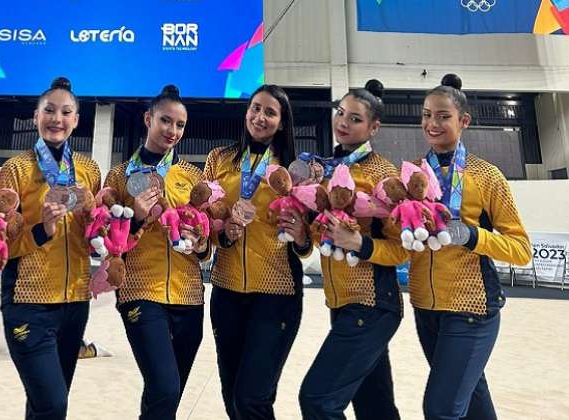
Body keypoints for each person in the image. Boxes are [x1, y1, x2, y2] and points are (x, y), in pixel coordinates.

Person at [409, 74, 531, 420]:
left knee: (442, 408)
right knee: (472, 399)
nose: (432, 124)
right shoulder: (414, 175)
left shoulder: (487, 176)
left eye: (443, 116)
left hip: (471, 308)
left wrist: (473, 236)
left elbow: (521, 249)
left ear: (463, 121)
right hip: (425, 307)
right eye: (426, 114)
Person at [298, 80, 405, 420]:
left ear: (374, 126)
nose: (343, 123)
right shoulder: (331, 171)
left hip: (372, 303)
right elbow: (325, 238)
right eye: (340, 113)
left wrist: (360, 244)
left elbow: (402, 251)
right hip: (342, 302)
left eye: (355, 119)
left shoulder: (384, 174)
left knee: (317, 400)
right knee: (376, 408)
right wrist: (306, 231)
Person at [103, 84, 210, 420]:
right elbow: (107, 239)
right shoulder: (120, 176)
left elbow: (206, 238)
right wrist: (135, 217)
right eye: (165, 121)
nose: (172, 131)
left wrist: (201, 242)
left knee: (166, 395)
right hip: (139, 291)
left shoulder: (193, 176)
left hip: (189, 296)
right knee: (164, 386)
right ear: (148, 118)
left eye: (179, 125)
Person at [0, 77, 100, 420]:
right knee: (52, 403)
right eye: (49, 111)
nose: (57, 119)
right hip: (29, 300)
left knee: (49, 405)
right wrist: (43, 229)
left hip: (75, 302)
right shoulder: (16, 169)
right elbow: (4, 243)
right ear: (35, 116)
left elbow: (94, 233)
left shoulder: (88, 170)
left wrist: (97, 223)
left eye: (66, 112)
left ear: (76, 120)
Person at [204, 84, 305, 419]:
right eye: (255, 108)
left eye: (270, 112)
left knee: (253, 398)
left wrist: (303, 236)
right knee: (233, 396)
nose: (260, 117)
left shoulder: (293, 168)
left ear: (282, 123)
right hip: (226, 290)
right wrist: (224, 234)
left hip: (276, 292)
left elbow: (307, 240)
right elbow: (206, 217)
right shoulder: (219, 159)